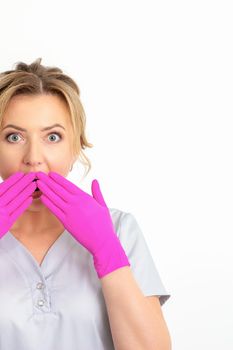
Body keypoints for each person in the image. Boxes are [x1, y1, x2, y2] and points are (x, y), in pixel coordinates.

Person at [0, 58, 172, 349]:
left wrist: (108, 251)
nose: (33, 157)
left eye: (52, 136)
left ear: (76, 146)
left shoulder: (118, 229)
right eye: (13, 137)